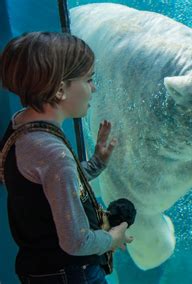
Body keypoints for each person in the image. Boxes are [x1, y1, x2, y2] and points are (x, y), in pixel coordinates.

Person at [0, 32, 133, 283]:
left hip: (38, 269)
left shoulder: (22, 125)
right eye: (88, 79)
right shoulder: (54, 153)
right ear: (60, 89)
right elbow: (76, 241)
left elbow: (44, 186)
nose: (93, 88)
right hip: (72, 274)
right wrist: (112, 239)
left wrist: (95, 164)